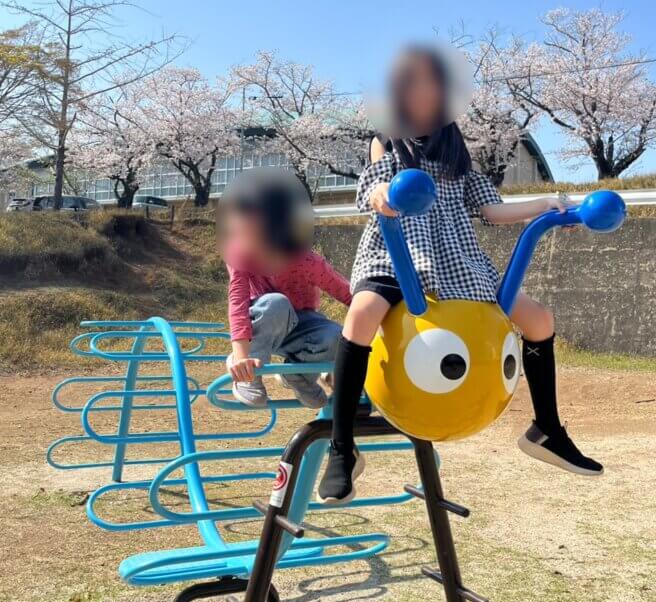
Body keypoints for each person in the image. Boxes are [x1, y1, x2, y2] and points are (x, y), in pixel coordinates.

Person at [318, 44, 604, 504]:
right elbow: (373, 188)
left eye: (434, 84)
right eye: (414, 84)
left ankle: (547, 430)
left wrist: (550, 204)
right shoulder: (386, 141)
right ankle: (342, 446)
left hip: (456, 263)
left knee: (539, 319)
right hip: (398, 255)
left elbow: (492, 210)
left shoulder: (457, 156)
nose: (424, 93)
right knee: (362, 314)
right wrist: (384, 197)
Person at [219, 168, 351, 407]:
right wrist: (241, 356)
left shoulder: (307, 261)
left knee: (340, 338)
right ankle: (248, 373)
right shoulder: (240, 253)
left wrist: (382, 310)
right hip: (265, 322)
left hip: (302, 325)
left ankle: (298, 375)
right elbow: (238, 302)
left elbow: (347, 293)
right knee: (277, 303)